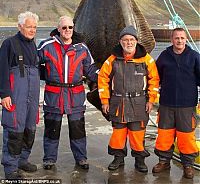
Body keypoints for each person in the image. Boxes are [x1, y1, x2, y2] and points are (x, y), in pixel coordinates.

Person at [38, 16, 98, 170]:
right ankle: (49, 159)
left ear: (73, 29)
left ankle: (81, 158)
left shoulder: (82, 48)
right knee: (52, 129)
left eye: (70, 27)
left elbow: (91, 70)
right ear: (58, 29)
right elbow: (33, 64)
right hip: (54, 94)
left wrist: (109, 78)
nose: (67, 31)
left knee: (77, 129)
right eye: (64, 27)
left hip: (75, 94)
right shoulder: (46, 45)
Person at [98, 25, 159, 172]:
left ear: (137, 41)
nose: (129, 43)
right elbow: (102, 79)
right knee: (118, 134)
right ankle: (118, 158)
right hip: (118, 102)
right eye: (125, 40)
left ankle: (140, 160)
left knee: (137, 134)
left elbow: (154, 80)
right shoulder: (111, 60)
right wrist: (105, 101)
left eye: (132, 39)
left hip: (139, 103)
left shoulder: (147, 59)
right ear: (120, 42)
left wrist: (151, 100)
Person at [152, 27, 200, 179]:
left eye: (182, 38)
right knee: (164, 136)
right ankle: (164, 161)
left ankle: (188, 165)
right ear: (172, 39)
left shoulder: (194, 56)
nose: (179, 41)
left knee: (186, 138)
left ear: (186, 39)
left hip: (187, 105)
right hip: (166, 104)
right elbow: (155, 77)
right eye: (176, 38)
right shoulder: (164, 56)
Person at [0, 11, 40, 179]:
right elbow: (2, 70)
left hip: (32, 96)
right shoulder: (9, 44)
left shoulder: (33, 45)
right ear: (20, 26)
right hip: (16, 95)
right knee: (14, 129)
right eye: (29, 26)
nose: (32, 30)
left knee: (30, 128)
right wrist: (4, 94)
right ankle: (10, 167)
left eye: (35, 27)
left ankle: (23, 159)